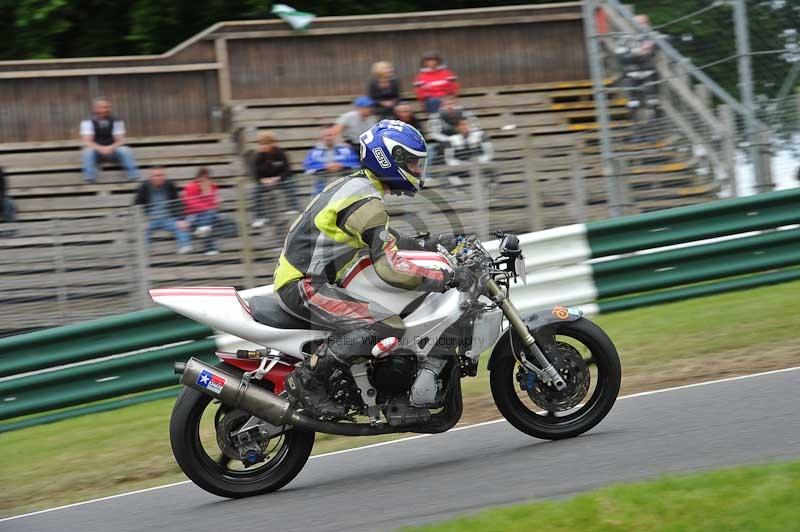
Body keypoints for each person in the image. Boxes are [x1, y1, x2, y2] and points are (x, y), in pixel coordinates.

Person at [275, 119, 474, 417]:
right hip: (305, 286)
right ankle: (308, 381)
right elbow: (390, 268)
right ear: (389, 159)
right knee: (387, 325)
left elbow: (387, 240)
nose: (419, 170)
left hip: (313, 280)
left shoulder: (358, 187)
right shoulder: (366, 202)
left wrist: (436, 242)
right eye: (413, 162)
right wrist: (445, 277)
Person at [80, 97, 139, 183]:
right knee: (88, 151)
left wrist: (110, 148)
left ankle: (133, 177)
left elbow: (120, 140)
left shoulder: (117, 121)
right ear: (95, 109)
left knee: (125, 150)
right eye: (101, 107)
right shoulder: (87, 122)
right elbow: (87, 141)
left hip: (113, 151)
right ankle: (89, 178)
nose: (104, 110)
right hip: (96, 153)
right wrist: (101, 149)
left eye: (106, 107)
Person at [134, 167, 191, 253]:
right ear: (151, 177)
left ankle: (185, 247)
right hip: (151, 219)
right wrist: (141, 220)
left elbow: (178, 203)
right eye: (155, 176)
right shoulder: (144, 187)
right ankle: (144, 254)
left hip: (168, 218)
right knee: (142, 231)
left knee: (182, 227)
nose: (158, 178)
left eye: (161, 175)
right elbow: (136, 204)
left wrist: (181, 219)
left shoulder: (170, 185)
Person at [250, 131, 299, 228]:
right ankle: (259, 217)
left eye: (266, 143)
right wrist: (263, 180)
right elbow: (255, 174)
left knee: (290, 183)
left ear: (273, 143)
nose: (264, 146)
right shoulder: (257, 157)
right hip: (265, 183)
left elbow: (288, 171)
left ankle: (292, 208)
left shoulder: (281, 154)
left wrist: (278, 178)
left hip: (280, 181)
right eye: (262, 144)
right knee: (255, 190)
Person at [303, 127, 361, 194]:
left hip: (345, 189)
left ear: (335, 136)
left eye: (330, 135)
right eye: (326, 136)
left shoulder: (346, 149)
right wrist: (325, 166)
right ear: (321, 138)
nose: (328, 138)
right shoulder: (314, 152)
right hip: (322, 191)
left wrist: (342, 165)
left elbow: (355, 163)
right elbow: (309, 166)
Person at [443, 118, 495, 188]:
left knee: (494, 169)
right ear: (458, 127)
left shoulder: (481, 135)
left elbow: (489, 154)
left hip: (480, 165)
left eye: (467, 124)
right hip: (462, 167)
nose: (465, 127)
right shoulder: (451, 139)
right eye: (463, 125)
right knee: (448, 175)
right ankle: (463, 192)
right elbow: (449, 159)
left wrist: (479, 161)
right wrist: (461, 164)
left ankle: (488, 192)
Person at [182, 167, 220, 256]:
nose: (205, 181)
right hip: (193, 216)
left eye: (207, 178)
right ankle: (210, 248)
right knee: (208, 217)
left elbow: (216, 205)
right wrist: (206, 208)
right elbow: (190, 204)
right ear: (198, 178)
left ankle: (201, 229)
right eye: (202, 178)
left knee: (210, 218)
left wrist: (207, 193)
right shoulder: (191, 186)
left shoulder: (213, 187)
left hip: (209, 216)